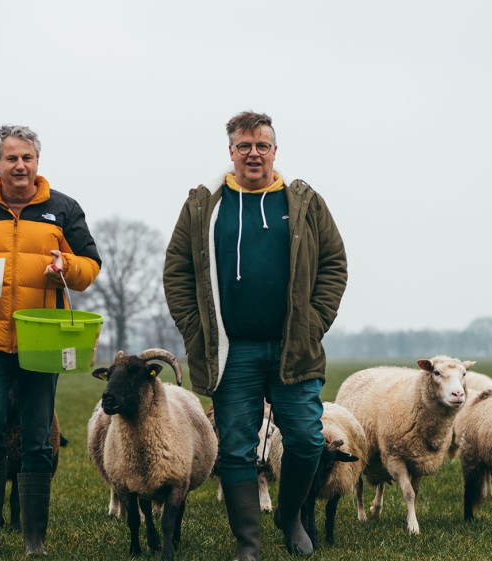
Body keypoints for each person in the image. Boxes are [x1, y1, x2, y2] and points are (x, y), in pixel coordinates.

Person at [163, 111, 347, 559]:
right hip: (232, 351)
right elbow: (178, 272)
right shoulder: (205, 203)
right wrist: (195, 332)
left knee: (305, 439)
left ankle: (290, 516)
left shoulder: (303, 202)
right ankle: (248, 543)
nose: (253, 153)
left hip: (293, 348)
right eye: (244, 145)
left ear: (274, 151)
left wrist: (313, 323)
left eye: (262, 145)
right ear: (231, 152)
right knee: (237, 447)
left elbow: (333, 266)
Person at [0, 124, 101, 556]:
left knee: (37, 434)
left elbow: (90, 266)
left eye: (27, 157)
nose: (20, 165)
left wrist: (65, 264)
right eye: (12, 158)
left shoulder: (62, 210)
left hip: (42, 341)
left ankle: (34, 539)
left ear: (37, 162)